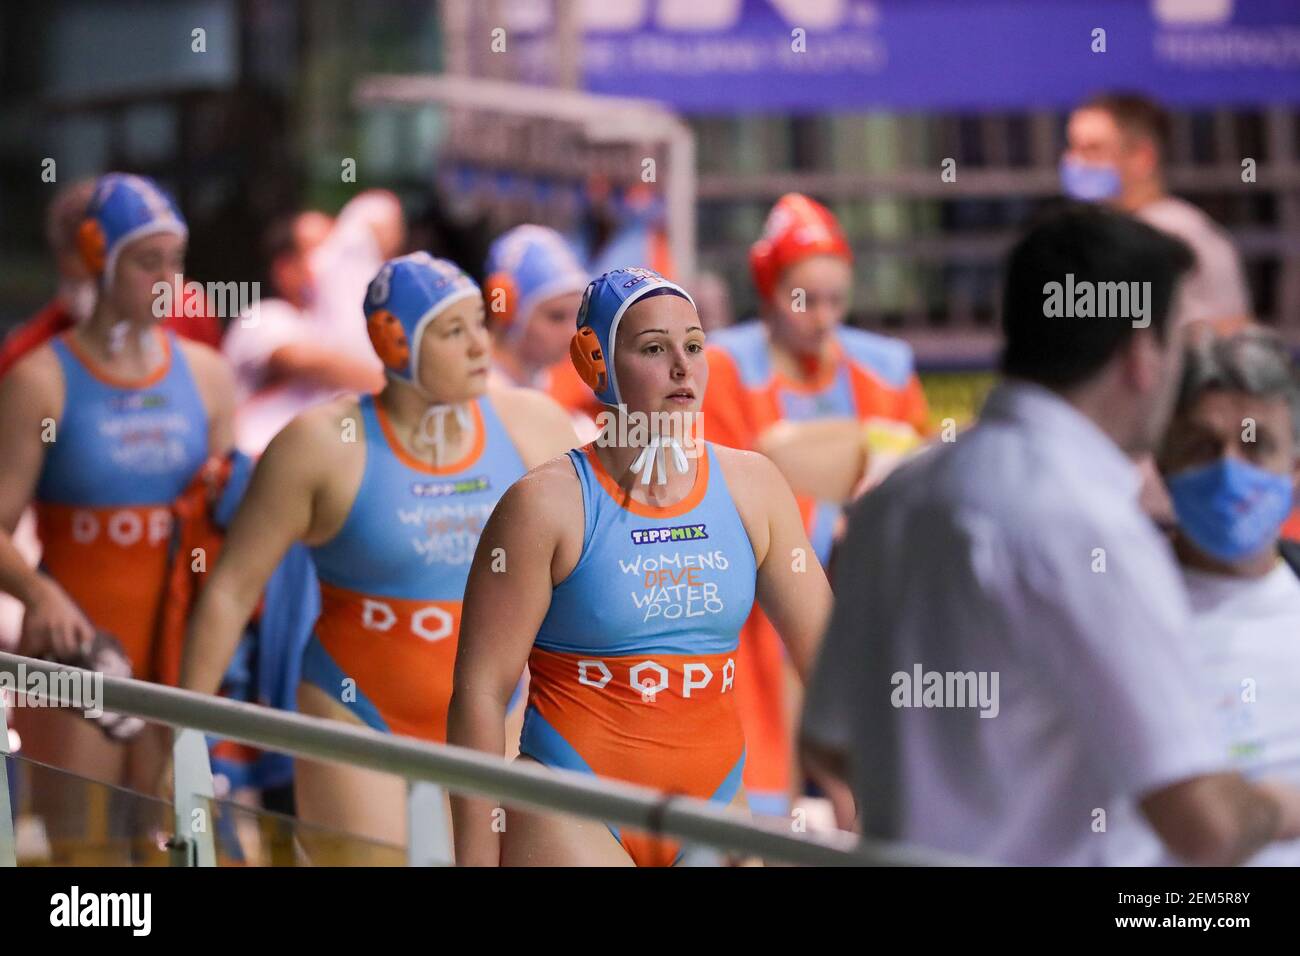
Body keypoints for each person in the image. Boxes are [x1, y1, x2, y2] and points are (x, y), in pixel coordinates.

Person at [800, 206, 1300, 866]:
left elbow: (829, 741)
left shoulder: (896, 498)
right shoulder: (1094, 531)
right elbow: (1203, 825)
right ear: (1141, 355)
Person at [180, 253, 578, 852]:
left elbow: (585, 575)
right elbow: (231, 591)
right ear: (396, 345)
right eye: (453, 331)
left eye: (479, 322)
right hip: (355, 707)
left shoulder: (533, 425)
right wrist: (185, 739)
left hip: (499, 705)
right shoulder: (323, 445)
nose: (479, 346)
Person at [448, 266, 832, 866]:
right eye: (655, 348)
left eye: (696, 345)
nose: (683, 367)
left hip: (716, 803)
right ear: (597, 362)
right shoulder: (546, 505)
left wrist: (873, 797)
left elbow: (831, 660)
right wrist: (473, 860)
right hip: (571, 805)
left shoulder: (753, 487)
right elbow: (479, 692)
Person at [0, 173, 234, 821]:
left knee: (173, 844)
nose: (168, 281)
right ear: (101, 261)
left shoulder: (209, 377)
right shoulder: (39, 378)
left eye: (176, 263)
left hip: (179, 646)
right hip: (78, 648)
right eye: (146, 262)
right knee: (85, 854)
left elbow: (225, 525)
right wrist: (39, 594)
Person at [702, 192, 929, 818]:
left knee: (871, 797)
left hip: (867, 606)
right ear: (770, 289)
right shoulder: (721, 368)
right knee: (762, 804)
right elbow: (719, 494)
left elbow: (913, 476)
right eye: (805, 299)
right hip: (757, 614)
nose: (823, 316)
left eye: (837, 299)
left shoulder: (883, 367)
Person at [1157, 329, 1300, 865]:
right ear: (1163, 460)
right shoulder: (1114, 604)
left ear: (1294, 467)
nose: (1228, 470)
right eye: (1202, 447)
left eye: (1256, 445)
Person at [1062, 91, 1251, 327]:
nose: (1075, 161)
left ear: (1142, 157)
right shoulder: (1087, 235)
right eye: (1072, 147)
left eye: (1092, 149)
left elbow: (1233, 332)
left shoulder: (1186, 234)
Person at [222, 211, 385, 456]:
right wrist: (398, 386)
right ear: (285, 268)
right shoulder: (265, 315)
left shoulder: (342, 326)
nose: (334, 263)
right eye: (320, 252)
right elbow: (312, 362)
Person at [482, 224, 600, 440]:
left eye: (577, 316)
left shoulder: (561, 376)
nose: (571, 333)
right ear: (507, 312)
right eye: (556, 317)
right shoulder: (479, 397)